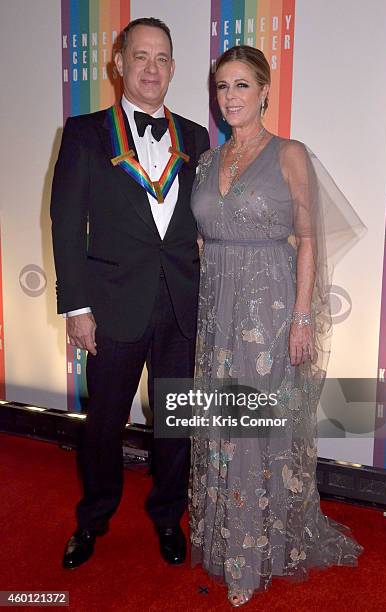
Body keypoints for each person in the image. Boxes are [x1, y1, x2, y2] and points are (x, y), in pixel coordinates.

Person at [189, 45, 364, 607]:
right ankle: (227, 543)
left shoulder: (289, 153)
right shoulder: (206, 162)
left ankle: (260, 551)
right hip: (218, 312)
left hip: (268, 311)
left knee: (257, 426)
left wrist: (302, 316)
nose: (231, 97)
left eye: (242, 85)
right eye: (222, 87)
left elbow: (308, 239)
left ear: (265, 90)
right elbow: (202, 237)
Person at [51, 17, 209, 570]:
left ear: (172, 67)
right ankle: (93, 518)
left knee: (175, 422)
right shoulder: (84, 131)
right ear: (118, 63)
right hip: (112, 304)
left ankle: (169, 515)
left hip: (181, 306)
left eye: (162, 57)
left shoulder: (195, 137)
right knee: (103, 425)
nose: (151, 67)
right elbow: (66, 223)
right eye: (140, 56)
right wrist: (77, 305)